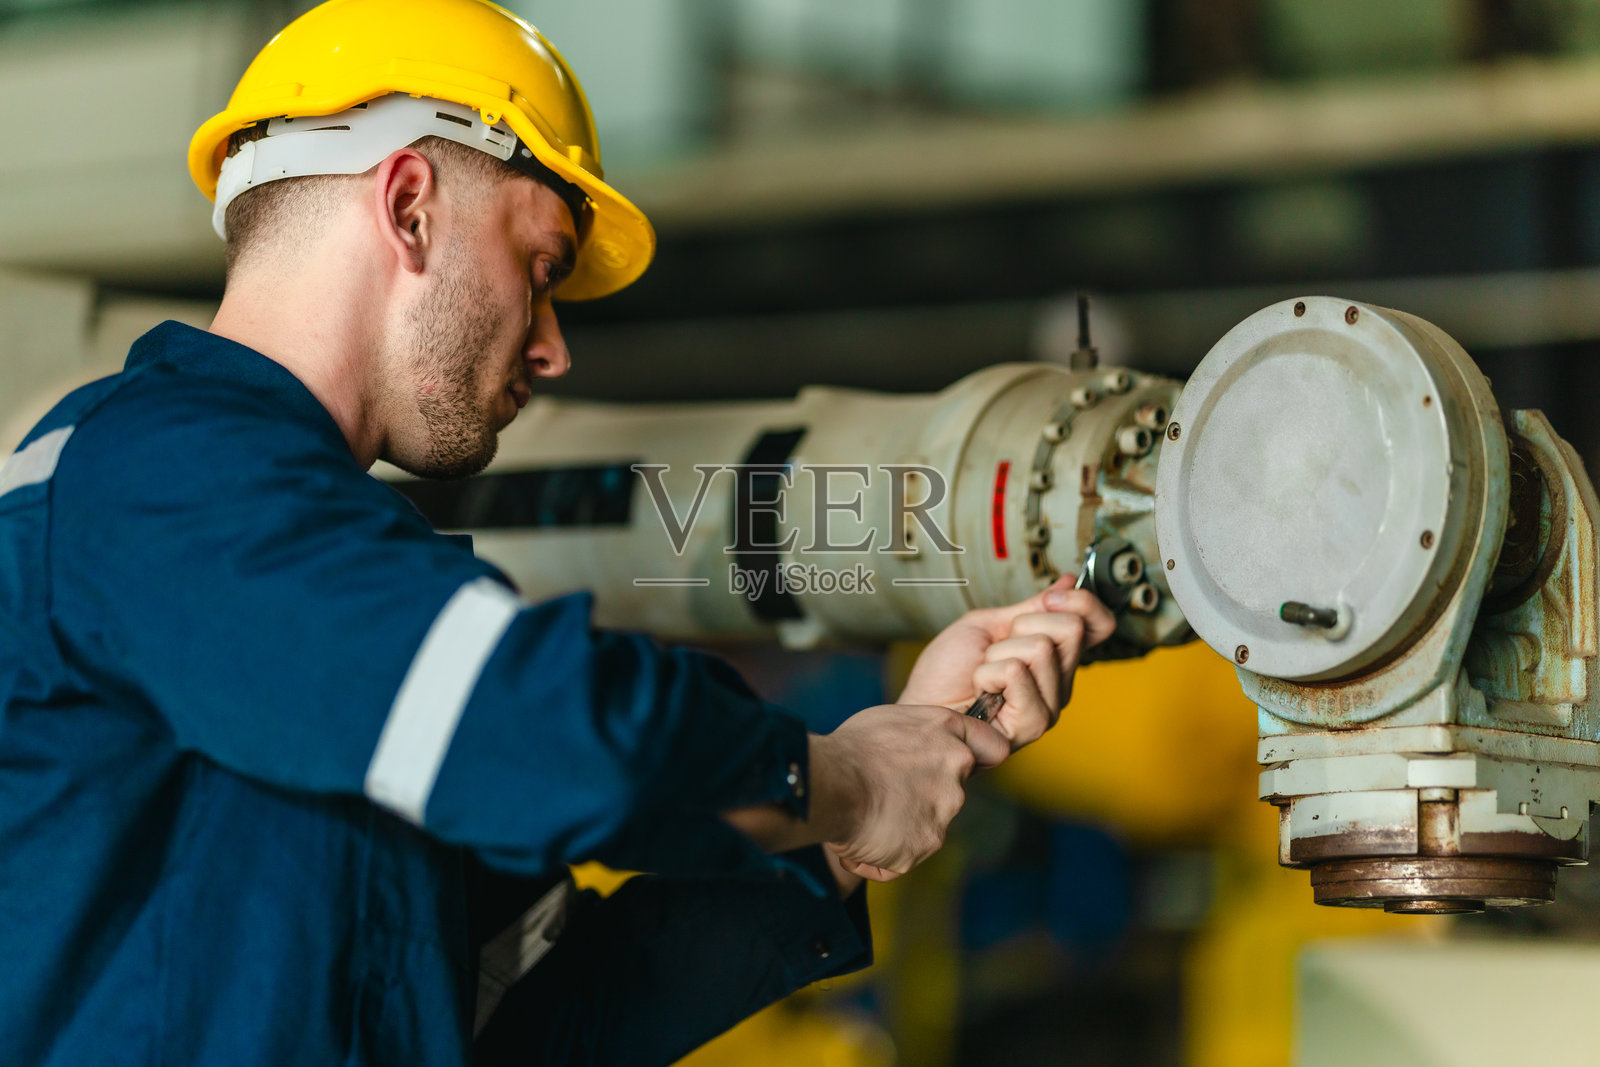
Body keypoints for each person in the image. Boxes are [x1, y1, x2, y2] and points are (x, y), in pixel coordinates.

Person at [0, 1, 1115, 1064]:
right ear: (408, 206)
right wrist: (840, 774)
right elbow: (531, 724)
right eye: (539, 269)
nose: (551, 347)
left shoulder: (318, 575)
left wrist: (870, 786)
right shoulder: (153, 472)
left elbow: (526, 1022)